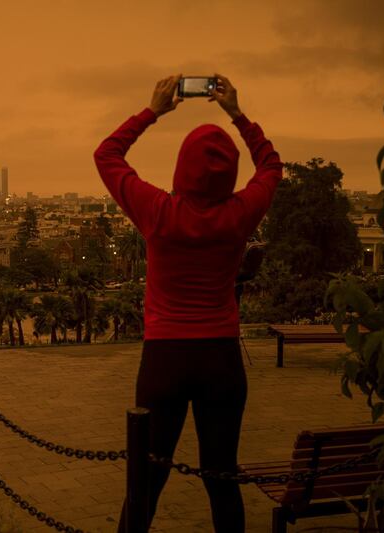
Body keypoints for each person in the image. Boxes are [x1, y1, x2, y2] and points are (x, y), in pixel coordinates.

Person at [94, 74, 282, 532]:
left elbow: (107, 155)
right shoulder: (239, 214)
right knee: (222, 477)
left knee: (147, 480)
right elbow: (271, 167)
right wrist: (236, 112)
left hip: (165, 357)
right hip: (220, 356)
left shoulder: (158, 212)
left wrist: (153, 110)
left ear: (181, 167)